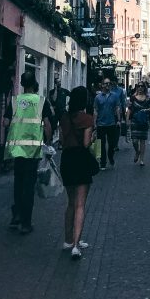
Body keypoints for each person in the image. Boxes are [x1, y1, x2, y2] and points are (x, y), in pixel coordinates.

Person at [4, 71, 53, 235]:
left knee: (18, 183)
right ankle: (26, 222)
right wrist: (48, 142)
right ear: (35, 84)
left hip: (17, 149)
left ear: (23, 85)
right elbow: (47, 125)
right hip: (33, 150)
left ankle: (16, 214)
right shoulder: (40, 102)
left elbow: (5, 122)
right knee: (28, 185)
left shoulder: (15, 101)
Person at [59, 85, 98, 259]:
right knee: (81, 204)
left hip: (66, 159)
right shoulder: (87, 119)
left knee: (70, 203)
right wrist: (93, 137)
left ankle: (68, 240)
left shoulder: (64, 117)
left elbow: (61, 140)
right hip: (81, 160)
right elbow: (86, 144)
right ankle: (76, 244)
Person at [94, 77, 122, 169]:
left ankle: (110, 156)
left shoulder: (114, 96)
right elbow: (96, 110)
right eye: (106, 83)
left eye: (109, 83)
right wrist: (94, 123)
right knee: (101, 144)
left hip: (111, 123)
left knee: (112, 144)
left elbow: (117, 108)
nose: (108, 85)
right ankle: (103, 163)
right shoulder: (98, 97)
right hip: (101, 124)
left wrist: (118, 120)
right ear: (102, 85)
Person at [127, 81, 150, 166]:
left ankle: (142, 159)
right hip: (135, 122)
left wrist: (146, 110)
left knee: (142, 141)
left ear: (144, 88)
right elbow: (129, 109)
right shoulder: (133, 98)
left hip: (143, 121)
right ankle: (137, 152)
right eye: (138, 86)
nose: (140, 88)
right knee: (134, 141)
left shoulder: (147, 98)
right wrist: (127, 120)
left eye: (142, 86)